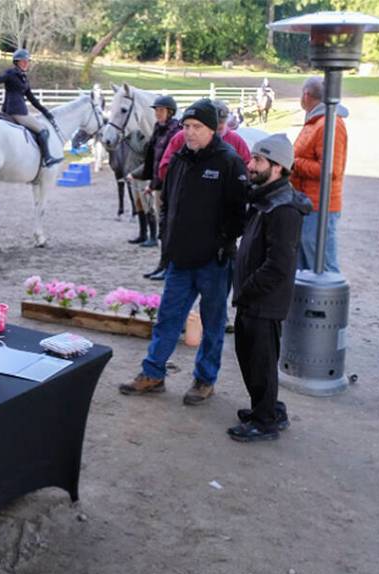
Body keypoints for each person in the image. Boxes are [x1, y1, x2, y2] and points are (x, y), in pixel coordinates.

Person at [119, 99, 247, 406]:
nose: (189, 133)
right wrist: (166, 236)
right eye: (187, 126)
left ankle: (205, 380)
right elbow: (168, 203)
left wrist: (222, 244)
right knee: (168, 318)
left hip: (214, 262)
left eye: (196, 127)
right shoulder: (178, 159)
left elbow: (239, 214)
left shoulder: (228, 161)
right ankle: (153, 373)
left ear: (212, 128)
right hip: (180, 258)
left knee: (212, 323)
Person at [229, 134, 311, 442]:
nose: (250, 165)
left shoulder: (283, 208)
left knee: (261, 361)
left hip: (263, 301)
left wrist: (248, 289)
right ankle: (266, 408)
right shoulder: (264, 197)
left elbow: (279, 265)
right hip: (252, 298)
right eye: (251, 158)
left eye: (258, 160)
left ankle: (265, 422)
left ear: (277, 167)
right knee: (249, 356)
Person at [292, 75, 348, 273]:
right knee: (304, 264)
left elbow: (331, 169)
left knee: (322, 265)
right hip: (305, 203)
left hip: (319, 207)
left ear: (306, 96)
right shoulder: (315, 122)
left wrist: (293, 163)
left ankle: (329, 304)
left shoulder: (329, 124)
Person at [127, 94, 182, 278]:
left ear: (170, 112)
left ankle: (168, 266)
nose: (157, 114)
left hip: (170, 186)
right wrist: (151, 183)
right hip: (159, 185)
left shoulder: (175, 132)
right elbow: (153, 161)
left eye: (161, 110)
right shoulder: (158, 129)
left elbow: (169, 162)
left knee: (168, 228)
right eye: (156, 110)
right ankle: (162, 264)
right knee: (163, 226)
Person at [0, 49, 61, 168]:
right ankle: (47, 158)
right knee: (43, 130)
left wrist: (45, 111)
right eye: (24, 61)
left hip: (18, 110)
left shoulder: (24, 78)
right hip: (17, 112)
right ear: (17, 62)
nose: (26, 63)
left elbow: (32, 99)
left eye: (27, 61)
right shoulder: (10, 73)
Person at [158, 99, 250, 182]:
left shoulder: (236, 140)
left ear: (226, 122)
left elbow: (247, 168)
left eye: (220, 125)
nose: (215, 130)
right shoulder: (182, 137)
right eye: (212, 125)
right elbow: (164, 170)